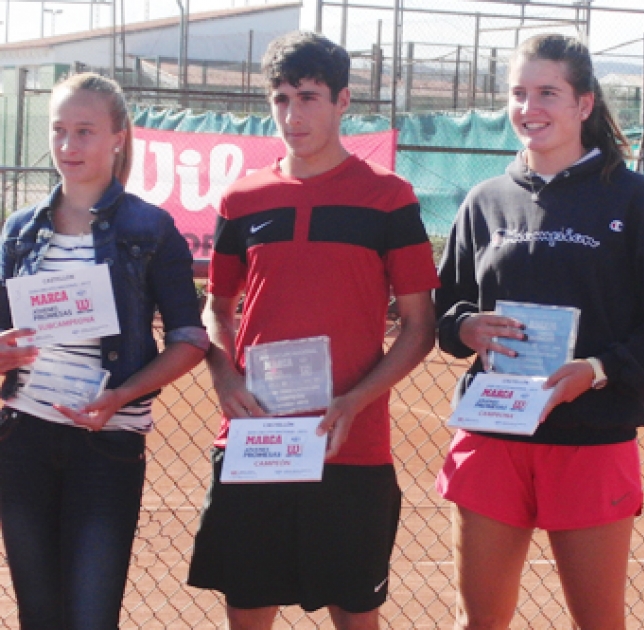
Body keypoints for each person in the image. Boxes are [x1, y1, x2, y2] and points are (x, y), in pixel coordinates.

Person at [435, 34, 644, 630]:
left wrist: (599, 371)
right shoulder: (485, 201)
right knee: (478, 622)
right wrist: (467, 326)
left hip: (591, 440)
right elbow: (446, 312)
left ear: (583, 104)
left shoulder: (634, 200)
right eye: (519, 93)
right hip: (495, 434)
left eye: (548, 92)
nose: (531, 107)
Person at [186, 31, 438, 630]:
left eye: (308, 97)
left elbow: (420, 325)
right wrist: (222, 371)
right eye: (280, 99)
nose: (292, 115)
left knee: (354, 615)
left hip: (348, 443)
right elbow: (215, 308)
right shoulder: (241, 199)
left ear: (342, 100)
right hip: (256, 442)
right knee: (248, 611)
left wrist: (355, 401)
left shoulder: (388, 197)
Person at [0, 72, 208, 630]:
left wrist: (122, 395)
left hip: (107, 445)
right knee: (39, 618)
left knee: (91, 620)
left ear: (118, 136)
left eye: (85, 131)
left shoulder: (150, 227)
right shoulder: (19, 231)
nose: (68, 146)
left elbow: (189, 339)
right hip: (22, 442)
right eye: (60, 131)